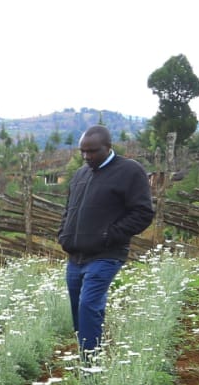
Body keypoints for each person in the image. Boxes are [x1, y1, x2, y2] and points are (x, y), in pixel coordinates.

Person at [58, 125, 153, 356]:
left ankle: (91, 367)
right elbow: (70, 210)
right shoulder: (81, 174)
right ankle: (89, 355)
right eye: (83, 151)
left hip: (106, 255)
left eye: (92, 151)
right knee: (78, 311)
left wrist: (109, 235)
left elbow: (143, 213)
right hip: (76, 256)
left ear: (108, 147)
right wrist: (63, 233)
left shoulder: (129, 171)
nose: (86, 156)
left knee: (89, 305)